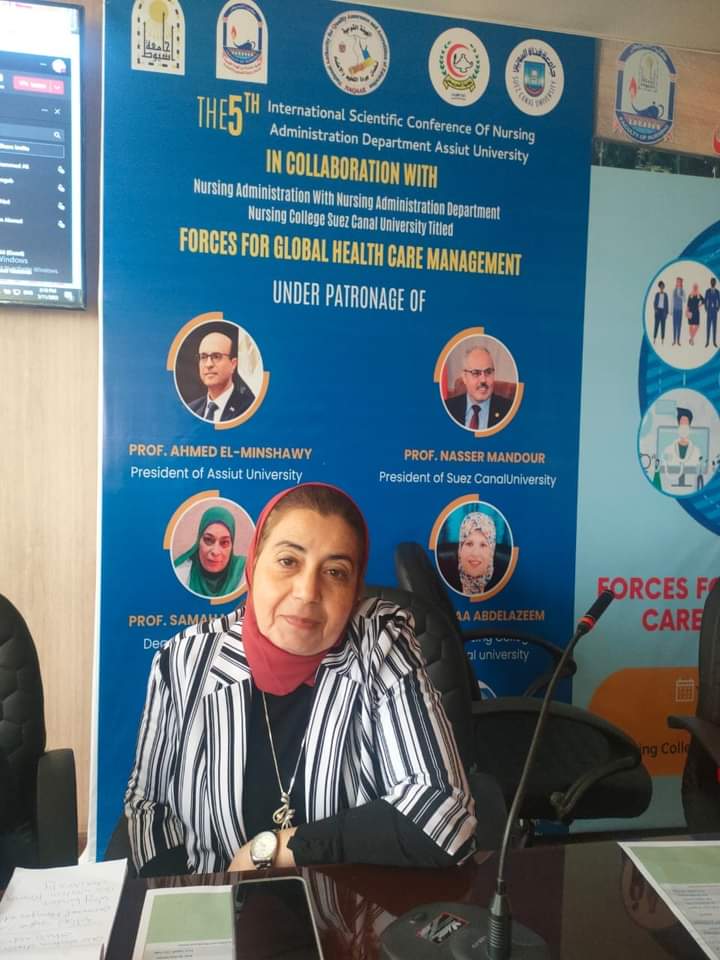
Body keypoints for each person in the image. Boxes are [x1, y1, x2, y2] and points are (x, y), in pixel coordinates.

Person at [127, 483, 476, 876]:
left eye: (335, 572)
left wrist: (280, 849)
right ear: (253, 565)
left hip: (349, 904)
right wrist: (183, 899)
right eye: (288, 561)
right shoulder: (182, 661)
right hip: (215, 899)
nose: (308, 592)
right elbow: (149, 808)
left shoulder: (379, 646)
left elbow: (444, 817)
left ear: (354, 591)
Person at [173, 505, 246, 598]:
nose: (215, 551)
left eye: (224, 542)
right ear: (198, 541)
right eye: (208, 540)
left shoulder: (245, 573)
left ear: (232, 546)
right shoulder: (181, 573)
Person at [188, 329, 255, 421]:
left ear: (233, 364)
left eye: (216, 356)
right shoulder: (191, 409)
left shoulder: (250, 408)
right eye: (203, 357)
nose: (208, 364)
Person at [444, 345, 513, 430]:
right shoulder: (447, 408)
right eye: (476, 373)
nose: (483, 380)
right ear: (464, 377)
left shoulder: (510, 411)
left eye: (488, 372)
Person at [438, 512, 504, 597]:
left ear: (491, 552)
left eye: (483, 545)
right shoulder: (442, 586)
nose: (475, 553)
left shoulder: (503, 590)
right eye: (469, 544)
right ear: (460, 550)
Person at [662, 407, 701, 472]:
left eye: (686, 424)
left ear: (690, 427)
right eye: (682, 424)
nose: (684, 427)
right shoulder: (668, 449)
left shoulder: (696, 451)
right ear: (678, 426)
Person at [652, 280, 669, 345]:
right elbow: (654, 303)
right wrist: (655, 309)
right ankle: (654, 338)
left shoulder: (666, 295)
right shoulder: (657, 294)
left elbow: (667, 304)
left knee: (663, 326)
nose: (662, 287)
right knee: (656, 325)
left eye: (663, 286)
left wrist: (666, 313)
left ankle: (662, 340)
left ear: (664, 287)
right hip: (658, 311)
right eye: (661, 286)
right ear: (659, 287)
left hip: (663, 312)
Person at [705, 277, 720, 348]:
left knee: (714, 327)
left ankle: (714, 342)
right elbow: (705, 300)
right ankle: (707, 342)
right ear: (710, 283)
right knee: (708, 327)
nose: (713, 283)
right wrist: (706, 309)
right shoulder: (707, 291)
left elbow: (719, 301)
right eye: (712, 282)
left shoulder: (717, 291)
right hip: (709, 311)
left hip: (714, 312)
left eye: (714, 282)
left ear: (715, 283)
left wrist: (717, 309)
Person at [671, 277, 686, 346]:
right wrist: (671, 310)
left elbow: (684, 300)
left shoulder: (683, 291)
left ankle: (678, 341)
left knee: (679, 325)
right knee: (674, 325)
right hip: (674, 309)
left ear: (681, 283)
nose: (678, 283)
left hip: (680, 310)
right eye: (677, 281)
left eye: (679, 282)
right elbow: (672, 300)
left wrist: (680, 296)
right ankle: (674, 340)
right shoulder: (674, 290)